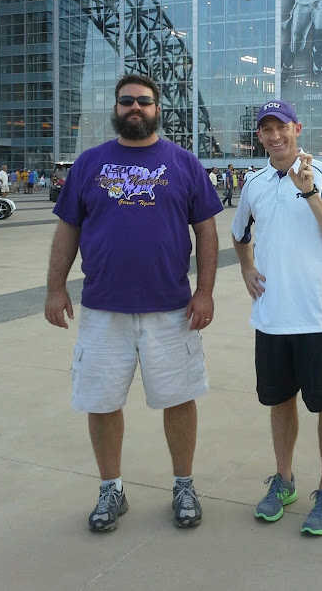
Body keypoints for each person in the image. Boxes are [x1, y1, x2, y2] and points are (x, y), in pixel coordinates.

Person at [44, 73, 223, 533]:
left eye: (144, 101)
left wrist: (204, 291)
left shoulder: (184, 163)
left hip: (171, 310)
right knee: (102, 402)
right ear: (116, 108)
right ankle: (112, 489)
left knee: (179, 399)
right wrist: (55, 287)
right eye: (127, 101)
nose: (135, 108)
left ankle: (184, 485)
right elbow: (68, 229)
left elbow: (206, 231)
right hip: (104, 309)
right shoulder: (89, 164)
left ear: (157, 108)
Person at [231, 99, 322, 536]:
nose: (275, 136)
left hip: (317, 317)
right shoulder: (254, 183)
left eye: (281, 127)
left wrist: (309, 193)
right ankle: (283, 480)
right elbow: (240, 233)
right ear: (259, 137)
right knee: (280, 401)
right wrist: (247, 267)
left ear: (297, 129)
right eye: (266, 129)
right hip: (272, 318)